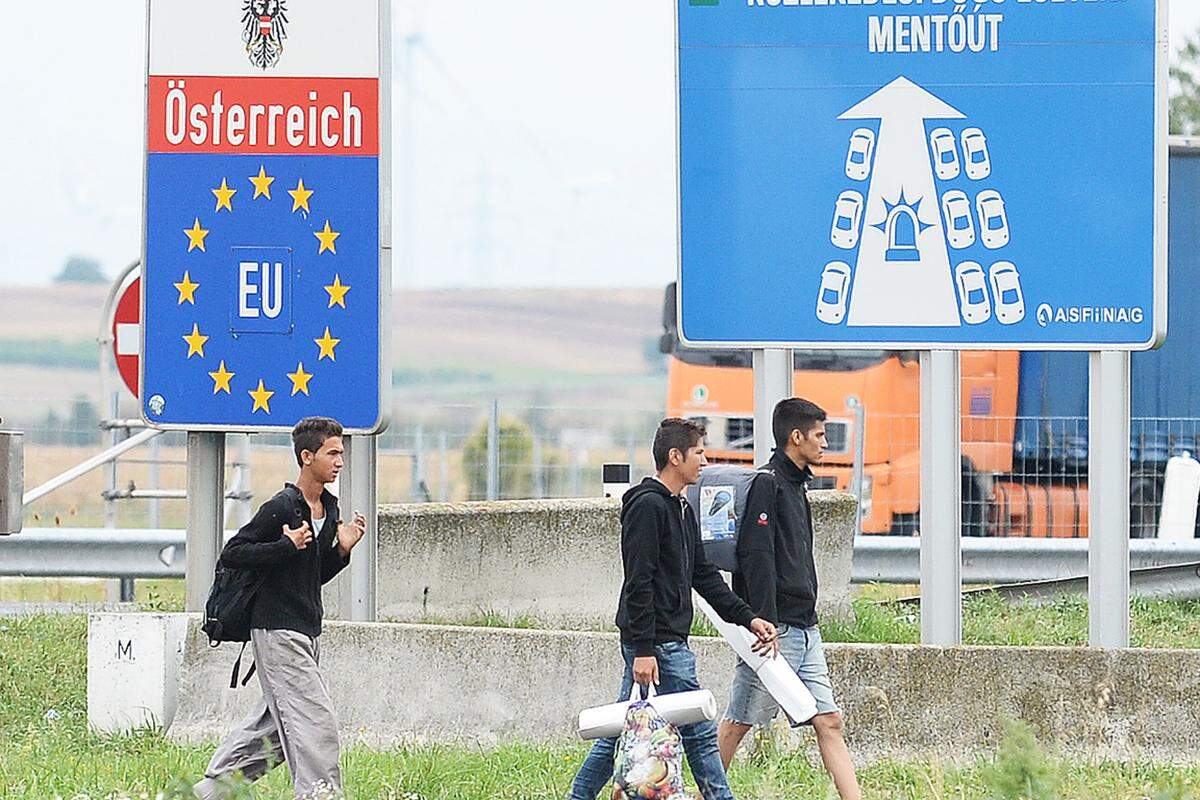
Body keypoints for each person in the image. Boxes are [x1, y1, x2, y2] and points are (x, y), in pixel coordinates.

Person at [569, 417, 779, 800]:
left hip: (664, 640)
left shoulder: (680, 507)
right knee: (698, 731)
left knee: (622, 727)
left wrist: (748, 618)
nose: (704, 460)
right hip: (658, 643)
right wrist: (645, 649)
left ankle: (577, 796)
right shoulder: (648, 507)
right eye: (698, 452)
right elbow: (639, 582)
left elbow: (704, 575)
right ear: (675, 456)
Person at [193, 417, 367, 800]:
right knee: (314, 722)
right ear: (307, 457)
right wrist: (283, 546)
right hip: (277, 630)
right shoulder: (282, 506)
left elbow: (310, 575)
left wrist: (340, 551)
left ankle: (208, 792)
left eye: (342, 453)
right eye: (332, 453)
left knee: (271, 729)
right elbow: (233, 553)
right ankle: (321, 794)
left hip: (306, 630)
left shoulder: (328, 508)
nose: (340, 461)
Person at [716, 398, 861, 800]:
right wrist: (762, 620)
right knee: (739, 722)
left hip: (805, 625)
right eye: (818, 435)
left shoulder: (798, 484)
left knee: (829, 720)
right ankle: (705, 792)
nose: (825, 443)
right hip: (775, 628)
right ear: (795, 437)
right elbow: (756, 556)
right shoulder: (768, 483)